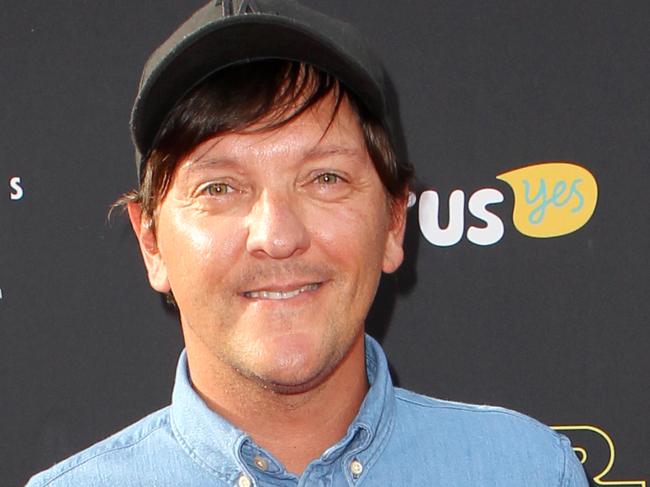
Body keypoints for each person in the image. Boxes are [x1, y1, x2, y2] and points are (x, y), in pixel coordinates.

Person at [27, 1, 589, 485]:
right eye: (219, 187)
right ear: (151, 242)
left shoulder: (529, 472)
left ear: (395, 222)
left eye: (325, 179)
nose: (277, 236)